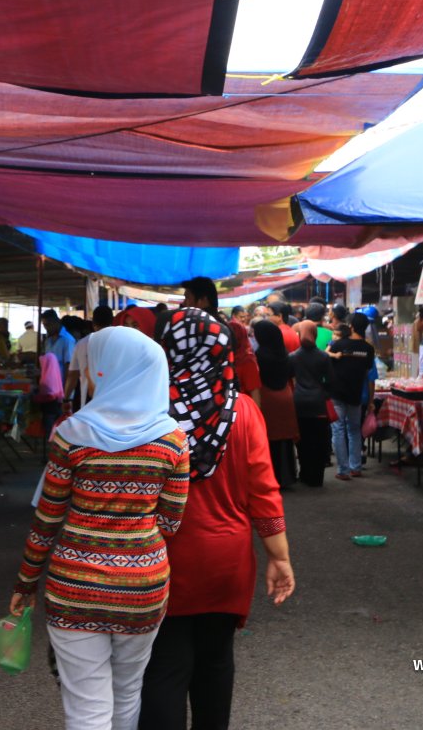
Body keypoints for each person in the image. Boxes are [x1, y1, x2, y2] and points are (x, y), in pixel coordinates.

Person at [11, 326, 190, 730]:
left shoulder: (72, 434)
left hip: (74, 586)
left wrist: (25, 584)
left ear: (113, 370)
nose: (89, 375)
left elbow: (46, 522)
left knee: (85, 708)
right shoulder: (173, 441)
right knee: (127, 694)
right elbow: (171, 522)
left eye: (94, 367)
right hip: (142, 586)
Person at [140, 308, 296, 730]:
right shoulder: (244, 411)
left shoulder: (147, 412)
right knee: (215, 664)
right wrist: (279, 557)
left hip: (160, 560)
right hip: (226, 562)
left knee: (163, 670)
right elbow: (264, 493)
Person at [327, 314, 376, 481]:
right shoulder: (368, 349)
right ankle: (356, 467)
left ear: (352, 326)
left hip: (337, 393)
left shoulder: (339, 344)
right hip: (355, 394)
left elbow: (328, 362)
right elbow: (369, 375)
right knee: (354, 430)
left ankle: (343, 470)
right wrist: (370, 401)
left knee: (338, 430)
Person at [252, 320, 299, 489]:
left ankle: (271, 477)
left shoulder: (258, 355)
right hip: (285, 396)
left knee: (269, 439)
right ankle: (287, 476)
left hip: (267, 398)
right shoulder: (284, 352)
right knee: (285, 441)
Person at [290, 321, 331, 487]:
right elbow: (331, 381)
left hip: (299, 402)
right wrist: (324, 393)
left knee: (303, 441)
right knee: (319, 440)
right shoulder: (324, 356)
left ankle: (305, 473)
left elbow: (288, 377)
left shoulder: (293, 356)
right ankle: (317, 477)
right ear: (315, 334)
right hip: (318, 403)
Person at [64, 305, 113, 414]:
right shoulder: (120, 343)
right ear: (112, 322)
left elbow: (72, 375)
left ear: (93, 323)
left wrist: (65, 399)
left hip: (88, 402)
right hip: (112, 403)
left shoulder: (81, 344)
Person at [41, 309, 76, 376]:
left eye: (48, 325)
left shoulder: (67, 340)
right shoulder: (48, 341)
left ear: (56, 322)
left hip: (61, 384)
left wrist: (65, 386)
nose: (46, 328)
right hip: (49, 383)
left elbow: (69, 367)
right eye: (44, 325)